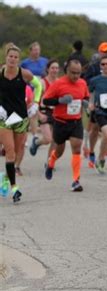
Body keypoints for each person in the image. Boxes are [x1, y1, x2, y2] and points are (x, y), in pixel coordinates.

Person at [0, 43, 42, 202]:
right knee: (10, 152)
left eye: (16, 57)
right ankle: (14, 188)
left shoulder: (24, 74)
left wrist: (36, 103)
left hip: (21, 118)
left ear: (19, 60)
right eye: (10, 56)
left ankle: (5, 177)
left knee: (17, 152)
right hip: (3, 119)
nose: (12, 59)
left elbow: (38, 86)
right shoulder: (0, 73)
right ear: (6, 57)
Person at [42, 59, 90, 192]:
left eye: (78, 73)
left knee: (76, 148)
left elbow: (86, 97)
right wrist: (60, 100)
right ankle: (51, 162)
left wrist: (86, 104)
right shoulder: (59, 84)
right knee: (59, 151)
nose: (76, 76)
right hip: (60, 122)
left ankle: (76, 181)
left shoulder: (82, 83)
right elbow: (45, 100)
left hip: (75, 122)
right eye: (73, 73)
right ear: (66, 71)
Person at [84, 41, 107, 169]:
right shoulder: (93, 67)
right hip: (98, 107)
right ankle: (92, 152)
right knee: (94, 128)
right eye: (105, 51)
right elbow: (87, 85)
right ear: (99, 52)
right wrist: (90, 102)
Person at [29, 59, 60, 160]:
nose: (54, 70)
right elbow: (34, 100)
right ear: (48, 69)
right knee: (48, 139)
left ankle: (49, 162)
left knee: (55, 139)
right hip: (44, 111)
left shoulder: (60, 82)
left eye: (56, 68)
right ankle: (37, 142)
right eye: (52, 68)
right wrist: (38, 114)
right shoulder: (42, 82)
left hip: (56, 112)